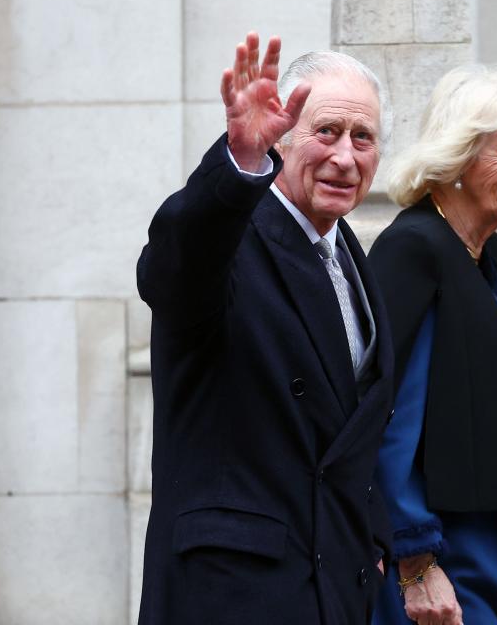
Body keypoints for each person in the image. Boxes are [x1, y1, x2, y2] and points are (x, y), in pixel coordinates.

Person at [136, 32, 396, 624]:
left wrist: (374, 543)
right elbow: (174, 267)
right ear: (283, 136)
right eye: (325, 132)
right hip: (234, 594)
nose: (345, 156)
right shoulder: (231, 237)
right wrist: (240, 163)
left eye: (364, 138)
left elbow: (351, 440)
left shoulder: (350, 254)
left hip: (333, 589)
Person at [368, 63, 497, 625]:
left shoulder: (484, 255)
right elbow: (390, 421)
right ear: (456, 158)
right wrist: (416, 558)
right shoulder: (414, 250)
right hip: (449, 539)